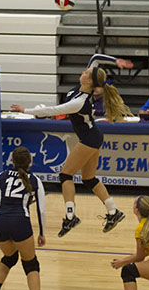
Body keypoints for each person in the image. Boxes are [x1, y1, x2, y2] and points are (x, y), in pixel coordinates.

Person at [11, 53, 132, 237]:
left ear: (90, 82)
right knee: (89, 179)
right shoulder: (81, 89)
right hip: (94, 136)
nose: (84, 71)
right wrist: (116, 61)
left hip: (90, 139)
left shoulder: (79, 102)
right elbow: (96, 57)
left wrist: (25, 110)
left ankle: (70, 216)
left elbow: (53, 110)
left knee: (65, 174)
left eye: (87, 72)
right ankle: (114, 211)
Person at [0, 146, 47, 290]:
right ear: (30, 162)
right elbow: (41, 210)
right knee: (31, 264)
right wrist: (41, 233)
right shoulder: (35, 180)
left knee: (10, 257)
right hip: (20, 223)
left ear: (12, 161)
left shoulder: (1, 176)